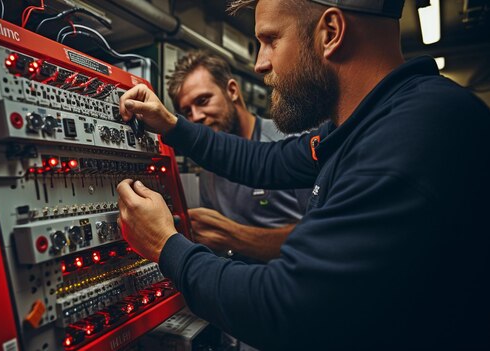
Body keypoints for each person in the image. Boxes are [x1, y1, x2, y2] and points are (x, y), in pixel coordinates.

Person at [116, 0, 490, 349]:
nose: (260, 63)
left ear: (330, 33)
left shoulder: (411, 137)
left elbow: (283, 307)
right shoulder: (369, 122)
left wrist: (166, 244)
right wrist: (172, 126)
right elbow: (265, 161)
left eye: (270, 40)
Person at [167, 50, 310, 262]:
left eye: (203, 100)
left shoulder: (289, 140)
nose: (196, 117)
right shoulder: (208, 168)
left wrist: (234, 236)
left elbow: (324, 236)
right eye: (187, 112)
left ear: (232, 90)